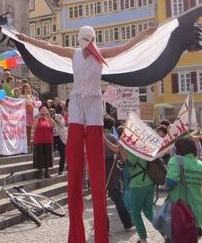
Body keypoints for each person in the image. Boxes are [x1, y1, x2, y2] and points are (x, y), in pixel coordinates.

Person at [16, 24, 156, 243]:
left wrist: (146, 34)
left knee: (96, 163)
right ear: (80, 40)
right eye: (83, 39)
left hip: (93, 105)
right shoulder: (73, 54)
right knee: (74, 164)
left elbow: (126, 47)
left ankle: (101, 234)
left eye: (88, 39)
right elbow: (49, 47)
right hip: (77, 103)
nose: (86, 43)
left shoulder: (101, 54)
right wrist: (26, 39)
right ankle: (76, 236)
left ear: (92, 39)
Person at [165, 137, 202, 239]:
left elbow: (170, 181)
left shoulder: (175, 160)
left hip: (179, 210)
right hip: (196, 209)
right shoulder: (200, 164)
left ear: (179, 149)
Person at [102, 116, 134, 231]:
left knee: (102, 199)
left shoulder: (102, 136)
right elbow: (118, 151)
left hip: (101, 168)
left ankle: (104, 227)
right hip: (110, 168)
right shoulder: (111, 137)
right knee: (117, 196)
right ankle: (127, 222)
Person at [32, 106, 55, 179]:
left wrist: (49, 117)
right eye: (42, 111)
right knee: (40, 157)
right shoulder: (37, 119)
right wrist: (38, 117)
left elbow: (54, 125)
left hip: (48, 140)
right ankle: (40, 173)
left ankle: (47, 172)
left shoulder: (49, 119)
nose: (44, 113)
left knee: (48, 157)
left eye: (46, 111)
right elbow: (34, 127)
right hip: (39, 141)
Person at [50, 107, 67, 175]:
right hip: (52, 137)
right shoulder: (47, 118)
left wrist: (55, 120)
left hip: (60, 136)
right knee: (50, 153)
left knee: (62, 154)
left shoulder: (59, 116)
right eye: (50, 112)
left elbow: (62, 124)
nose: (51, 114)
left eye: (52, 112)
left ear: (55, 112)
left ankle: (61, 169)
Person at [20, 83, 36, 150]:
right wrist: (26, 95)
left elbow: (34, 103)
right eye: (27, 88)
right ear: (24, 89)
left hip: (30, 113)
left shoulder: (31, 96)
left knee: (29, 128)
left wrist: (31, 96)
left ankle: (28, 143)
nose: (28, 89)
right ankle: (24, 143)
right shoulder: (21, 96)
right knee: (25, 128)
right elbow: (20, 104)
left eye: (29, 88)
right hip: (24, 113)